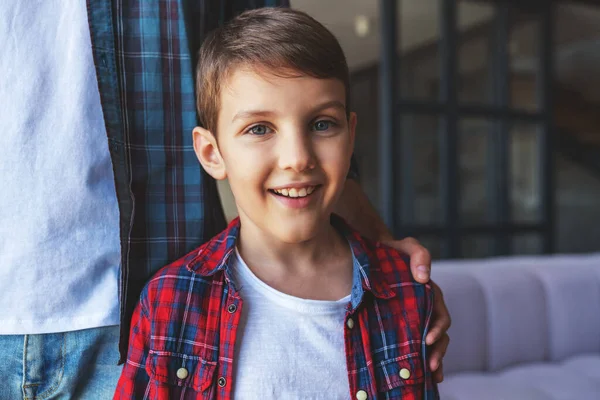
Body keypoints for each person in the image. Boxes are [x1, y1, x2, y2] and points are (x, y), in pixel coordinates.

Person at [0, 1, 448, 398]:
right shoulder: (170, 302)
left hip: (116, 303)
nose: (297, 159)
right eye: (259, 128)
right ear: (211, 153)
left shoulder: (405, 292)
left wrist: (387, 255)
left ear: (351, 136)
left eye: (322, 124)